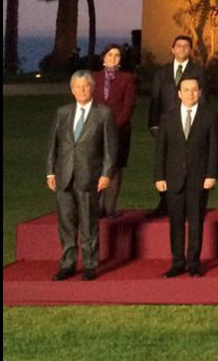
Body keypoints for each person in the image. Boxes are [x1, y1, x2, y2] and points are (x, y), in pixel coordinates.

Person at [46, 71, 118, 281]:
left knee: (88, 222)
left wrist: (107, 173)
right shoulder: (63, 112)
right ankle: (67, 263)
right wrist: (50, 171)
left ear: (92, 88)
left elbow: (111, 148)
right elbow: (53, 145)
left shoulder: (103, 113)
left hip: (90, 176)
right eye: (78, 87)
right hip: (64, 175)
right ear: (72, 90)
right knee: (66, 222)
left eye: (86, 86)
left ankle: (89, 264)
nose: (82, 90)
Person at [154, 75, 218, 277]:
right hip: (173, 177)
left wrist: (211, 174)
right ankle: (177, 262)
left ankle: (193, 263)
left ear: (199, 92)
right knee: (175, 222)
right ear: (179, 94)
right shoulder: (167, 117)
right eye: (186, 90)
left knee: (196, 221)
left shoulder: (209, 116)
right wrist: (159, 176)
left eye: (194, 90)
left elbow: (214, 148)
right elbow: (161, 150)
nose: (190, 93)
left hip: (199, 178)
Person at [147, 35, 205, 217]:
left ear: (190, 50)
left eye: (186, 46)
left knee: (188, 164)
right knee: (165, 163)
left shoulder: (198, 71)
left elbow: (204, 99)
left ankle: (188, 205)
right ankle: (165, 202)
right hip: (166, 125)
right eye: (178, 46)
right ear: (172, 49)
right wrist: (153, 124)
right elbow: (155, 99)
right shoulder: (162, 72)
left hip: (189, 123)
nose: (182, 49)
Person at [92, 44, 136, 218]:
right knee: (97, 167)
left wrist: (114, 128)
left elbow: (128, 106)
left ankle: (110, 208)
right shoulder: (94, 78)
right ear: (103, 57)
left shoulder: (127, 78)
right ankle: (97, 207)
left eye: (117, 56)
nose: (113, 58)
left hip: (120, 130)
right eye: (110, 55)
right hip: (96, 131)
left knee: (115, 167)